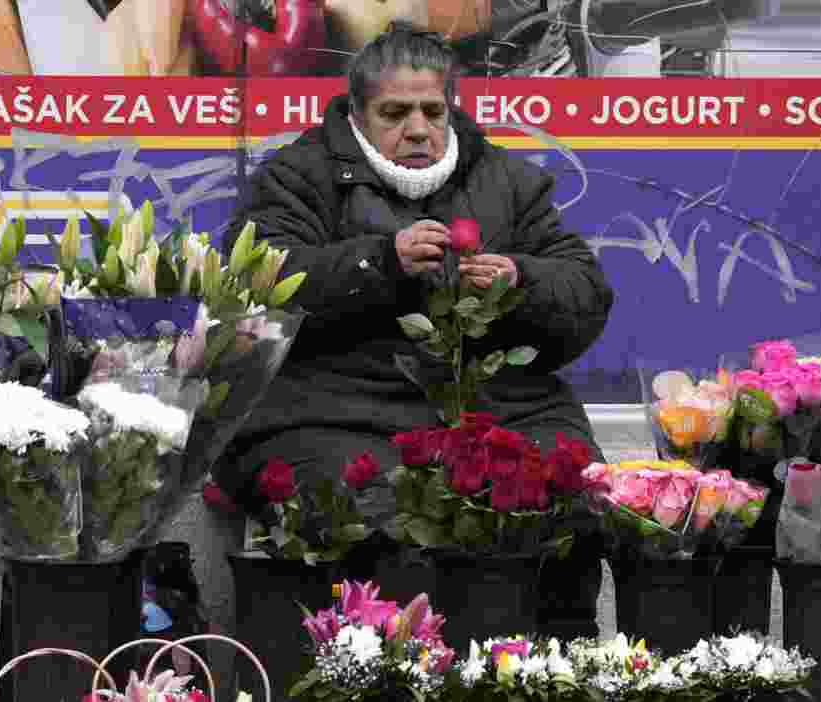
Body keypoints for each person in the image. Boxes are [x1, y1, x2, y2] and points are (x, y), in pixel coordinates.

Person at [216, 21, 614, 638]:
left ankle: (553, 663)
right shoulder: (297, 176)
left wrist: (521, 280)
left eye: (433, 110)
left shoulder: (507, 181)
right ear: (357, 113)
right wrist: (378, 263)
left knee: (569, 485)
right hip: (335, 411)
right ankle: (393, 667)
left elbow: (585, 295)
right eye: (395, 112)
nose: (418, 130)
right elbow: (260, 285)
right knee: (380, 506)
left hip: (498, 408)